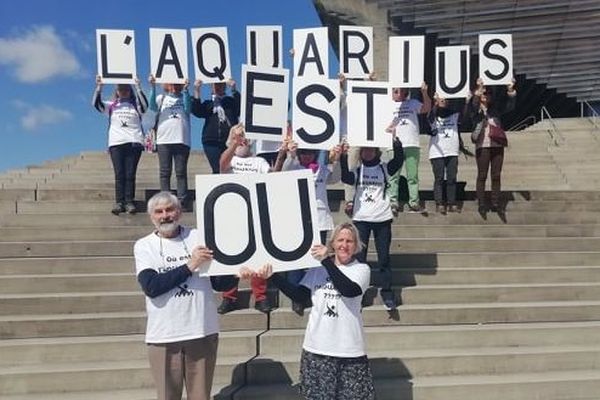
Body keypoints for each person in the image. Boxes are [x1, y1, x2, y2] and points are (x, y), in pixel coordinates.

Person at [133, 191, 237, 400]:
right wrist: (190, 265)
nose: (165, 216)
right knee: (167, 396)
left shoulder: (199, 237)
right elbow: (152, 286)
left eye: (170, 210)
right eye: (159, 212)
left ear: (179, 212)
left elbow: (219, 283)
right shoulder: (144, 245)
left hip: (201, 330)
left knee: (200, 396)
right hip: (163, 335)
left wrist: (236, 272)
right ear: (151, 217)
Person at [253, 222, 375, 400]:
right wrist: (273, 277)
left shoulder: (361, 269)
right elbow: (300, 295)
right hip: (317, 348)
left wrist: (326, 261)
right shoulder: (318, 270)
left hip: (349, 350)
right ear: (332, 243)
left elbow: (349, 290)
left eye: (349, 241)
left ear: (356, 246)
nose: (344, 245)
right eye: (340, 240)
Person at [216, 124, 275, 314]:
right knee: (230, 255)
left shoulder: (259, 161)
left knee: (259, 256)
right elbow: (221, 165)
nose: (242, 140)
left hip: (255, 212)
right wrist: (233, 144)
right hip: (231, 213)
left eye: (245, 137)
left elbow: (272, 177)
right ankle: (229, 296)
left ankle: (260, 296)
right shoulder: (229, 159)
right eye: (238, 136)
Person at [340, 138, 404, 310]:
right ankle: (359, 293)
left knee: (384, 258)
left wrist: (396, 143)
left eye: (371, 150)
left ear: (376, 152)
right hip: (361, 219)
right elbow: (345, 177)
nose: (368, 153)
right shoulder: (358, 170)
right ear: (361, 153)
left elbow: (398, 161)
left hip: (382, 218)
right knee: (359, 259)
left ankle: (387, 293)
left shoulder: (383, 168)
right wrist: (342, 155)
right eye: (365, 150)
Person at [281, 141, 342, 314]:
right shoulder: (294, 168)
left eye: (310, 152)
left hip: (320, 220)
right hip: (298, 220)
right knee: (297, 259)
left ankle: (314, 291)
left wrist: (336, 160)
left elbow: (336, 177)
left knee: (318, 259)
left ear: (315, 154)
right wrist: (291, 155)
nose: (307, 155)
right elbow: (284, 171)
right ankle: (296, 297)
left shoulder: (322, 170)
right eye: (304, 152)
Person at [92, 75, 148, 215]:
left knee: (130, 174)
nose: (123, 92)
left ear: (130, 91)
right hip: (116, 143)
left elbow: (146, 106)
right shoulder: (111, 106)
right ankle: (119, 202)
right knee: (119, 174)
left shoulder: (136, 105)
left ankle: (129, 201)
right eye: (120, 89)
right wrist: (99, 87)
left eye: (126, 89)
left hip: (134, 142)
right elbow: (96, 104)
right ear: (117, 91)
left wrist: (138, 86)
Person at [468, 78, 517, 213]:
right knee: (482, 175)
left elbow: (510, 106)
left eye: (488, 93)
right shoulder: (475, 111)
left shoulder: (495, 109)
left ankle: (495, 202)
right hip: (482, 145)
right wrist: (479, 89)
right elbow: (472, 106)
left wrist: (510, 90)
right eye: (484, 94)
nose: (486, 96)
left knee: (496, 175)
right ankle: (482, 203)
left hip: (497, 145)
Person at [385, 82, 432, 214]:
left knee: (412, 176)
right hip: (394, 144)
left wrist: (424, 93)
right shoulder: (387, 104)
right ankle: (392, 201)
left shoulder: (413, 103)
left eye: (399, 90)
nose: (396, 93)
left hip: (412, 143)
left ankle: (414, 202)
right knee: (393, 175)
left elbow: (426, 108)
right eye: (394, 90)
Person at [148, 75, 193, 210]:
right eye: (171, 83)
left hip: (181, 139)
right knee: (165, 172)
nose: (173, 86)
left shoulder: (185, 97)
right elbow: (152, 106)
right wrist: (152, 86)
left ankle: (182, 201)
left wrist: (185, 90)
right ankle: (165, 200)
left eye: (176, 83)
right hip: (164, 140)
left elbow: (188, 109)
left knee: (180, 172)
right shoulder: (161, 98)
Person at [427, 95, 469, 214]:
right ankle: (439, 203)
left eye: (445, 99)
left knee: (452, 178)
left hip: (452, 151)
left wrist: (467, 102)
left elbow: (465, 118)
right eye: (441, 99)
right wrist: (435, 103)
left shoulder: (454, 115)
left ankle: (451, 203)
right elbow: (428, 118)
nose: (443, 101)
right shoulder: (433, 116)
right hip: (437, 152)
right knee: (439, 178)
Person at [192, 79, 241, 174]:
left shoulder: (230, 102)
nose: (218, 87)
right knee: (217, 169)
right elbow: (197, 111)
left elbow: (240, 108)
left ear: (225, 86)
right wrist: (197, 90)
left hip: (230, 141)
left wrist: (234, 89)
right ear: (211, 86)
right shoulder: (208, 104)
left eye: (221, 85)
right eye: (215, 85)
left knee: (231, 169)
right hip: (211, 141)